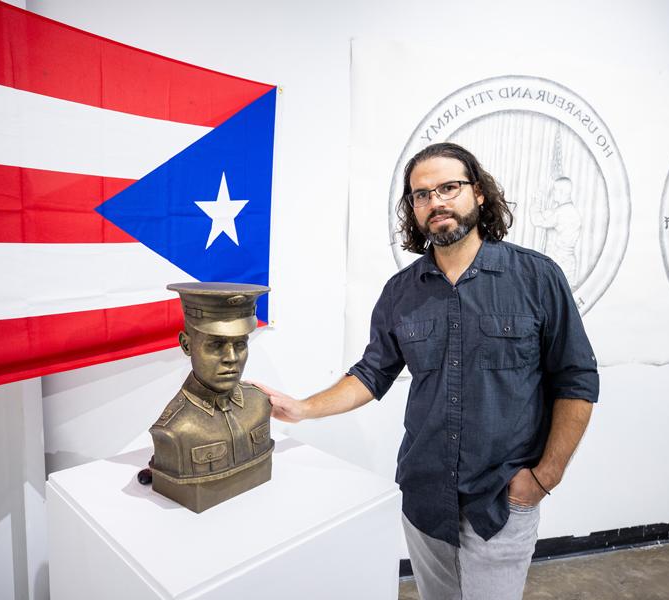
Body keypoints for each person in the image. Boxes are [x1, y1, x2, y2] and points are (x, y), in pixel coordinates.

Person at [261, 143, 598, 599]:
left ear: (478, 194)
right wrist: (301, 408)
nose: (435, 201)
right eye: (421, 195)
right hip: (424, 497)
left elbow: (576, 380)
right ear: (413, 209)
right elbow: (371, 373)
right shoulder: (401, 292)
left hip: (501, 499)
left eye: (448, 187)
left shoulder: (536, 278)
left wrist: (543, 478)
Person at [145, 282, 274, 513]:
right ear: (186, 345)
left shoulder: (259, 403)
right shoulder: (175, 429)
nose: (231, 358)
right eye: (216, 344)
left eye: (240, 344)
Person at [529, 176, 582, 287]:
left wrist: (536, 202)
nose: (552, 193)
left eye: (554, 190)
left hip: (558, 261)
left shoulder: (561, 213)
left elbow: (536, 220)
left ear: (561, 192)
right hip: (567, 262)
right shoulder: (571, 211)